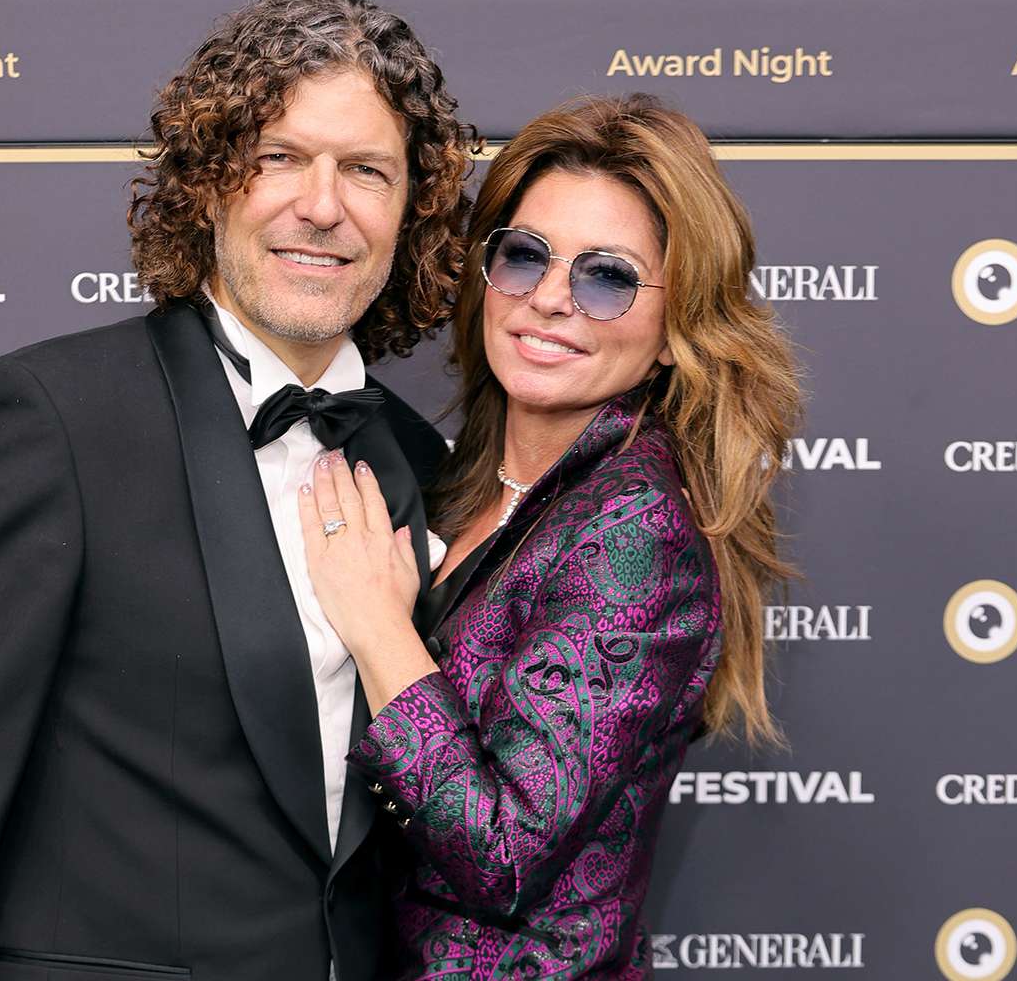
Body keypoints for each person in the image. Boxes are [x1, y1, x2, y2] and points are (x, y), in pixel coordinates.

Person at [0, 0, 473, 980]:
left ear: (409, 212)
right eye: (280, 157)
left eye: (367, 171)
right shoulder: (50, 422)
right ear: (210, 182)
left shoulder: (422, 463)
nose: (324, 204)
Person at [296, 95, 802, 979]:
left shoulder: (635, 529)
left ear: (678, 328)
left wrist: (378, 628)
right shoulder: (449, 483)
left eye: (607, 277)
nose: (552, 300)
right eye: (525, 256)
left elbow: (503, 847)